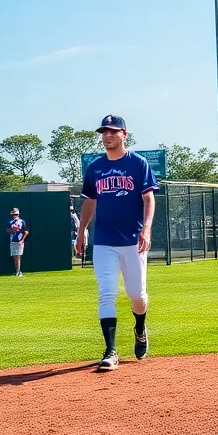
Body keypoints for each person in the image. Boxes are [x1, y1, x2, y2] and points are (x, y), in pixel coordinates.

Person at [75, 115, 158, 371]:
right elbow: (89, 202)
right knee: (107, 292)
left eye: (112, 131)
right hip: (104, 242)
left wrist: (146, 229)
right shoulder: (95, 167)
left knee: (137, 295)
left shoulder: (138, 163)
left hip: (133, 240)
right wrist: (81, 231)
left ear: (124, 134)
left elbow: (148, 199)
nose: (107, 135)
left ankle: (140, 327)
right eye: (104, 131)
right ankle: (110, 351)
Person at [8, 207, 29, 276]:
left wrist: (22, 240)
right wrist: (13, 230)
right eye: (14, 214)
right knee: (15, 256)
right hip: (12, 241)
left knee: (18, 256)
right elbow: (7, 230)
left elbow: (26, 232)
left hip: (19, 241)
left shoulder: (22, 221)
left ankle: (19, 271)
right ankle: (17, 270)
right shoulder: (10, 222)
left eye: (16, 214)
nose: (15, 216)